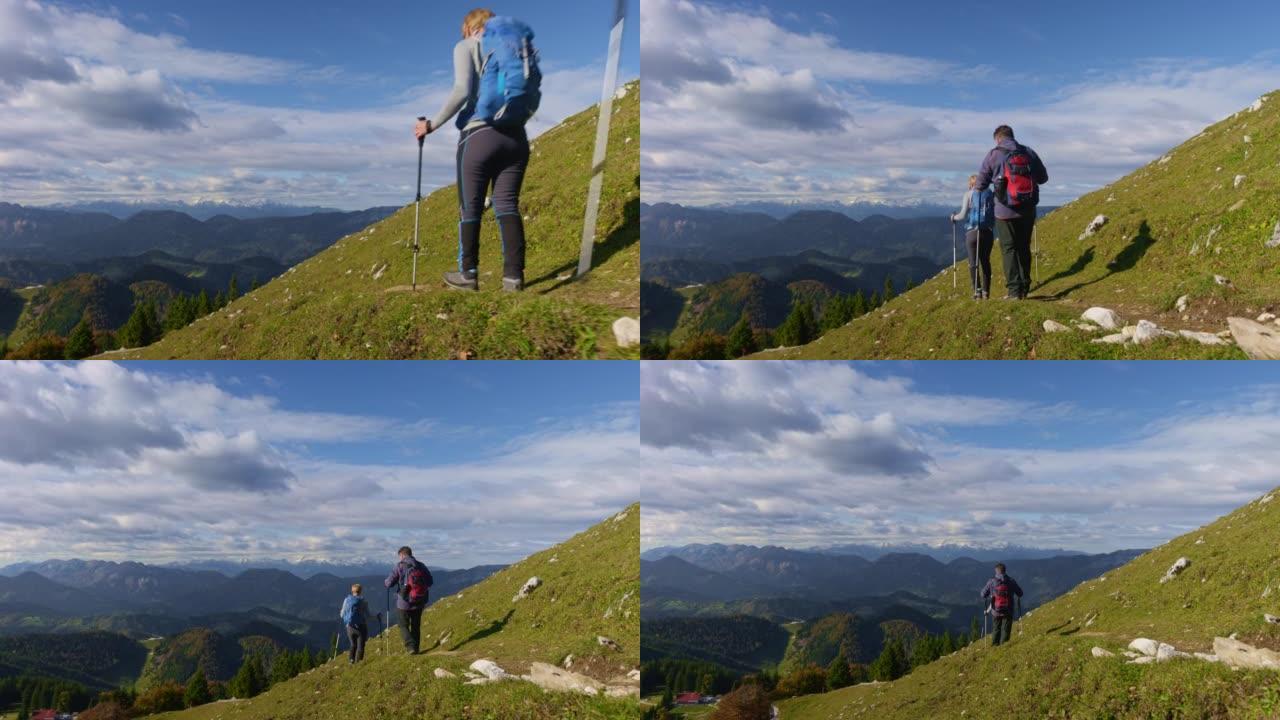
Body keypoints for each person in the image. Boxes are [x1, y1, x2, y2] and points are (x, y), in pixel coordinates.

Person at [414, 8, 542, 293]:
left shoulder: (467, 46)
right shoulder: (513, 50)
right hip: (517, 139)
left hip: (479, 136)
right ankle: (513, 279)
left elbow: (461, 90)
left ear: (470, 28)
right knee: (507, 204)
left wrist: (431, 125)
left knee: (470, 208)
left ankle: (468, 275)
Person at [974, 125, 1048, 299]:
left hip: (1004, 212)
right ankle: (1025, 287)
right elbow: (1044, 178)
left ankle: (1014, 291)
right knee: (1024, 247)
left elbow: (980, 184)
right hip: (1028, 209)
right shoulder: (1028, 152)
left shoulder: (994, 154)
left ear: (998, 138)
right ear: (1012, 136)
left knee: (1009, 248)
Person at [951, 174, 995, 299]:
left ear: (970, 184)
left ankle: (977, 292)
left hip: (972, 233)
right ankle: (986, 292)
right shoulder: (990, 193)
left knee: (973, 263)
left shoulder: (968, 194)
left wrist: (953, 217)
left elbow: (963, 215)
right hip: (987, 232)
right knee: (985, 261)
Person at [385, 545, 433, 654]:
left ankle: (410, 647)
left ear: (402, 555)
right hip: (420, 601)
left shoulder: (399, 566)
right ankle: (416, 649)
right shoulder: (421, 565)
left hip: (404, 602)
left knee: (403, 625)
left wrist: (386, 582)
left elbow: (389, 583)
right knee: (416, 625)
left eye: (399, 556)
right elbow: (430, 581)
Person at [980, 563, 1024, 647]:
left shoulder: (991, 581)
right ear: (1005, 570)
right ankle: (1004, 646)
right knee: (1006, 629)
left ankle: (994, 646)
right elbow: (1020, 593)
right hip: (1008, 610)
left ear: (996, 571)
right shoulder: (1011, 581)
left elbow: (983, 594)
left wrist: (989, 594)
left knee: (996, 628)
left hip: (995, 610)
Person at [339, 583, 373, 664]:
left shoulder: (347, 600)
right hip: (361, 627)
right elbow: (368, 616)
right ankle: (359, 664)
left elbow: (342, 614)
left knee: (353, 645)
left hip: (350, 627)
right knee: (360, 647)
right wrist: (377, 616)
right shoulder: (363, 602)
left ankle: (351, 661)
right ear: (360, 591)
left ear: (352, 591)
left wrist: (341, 613)